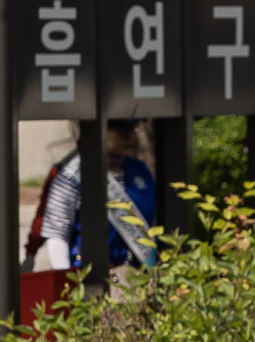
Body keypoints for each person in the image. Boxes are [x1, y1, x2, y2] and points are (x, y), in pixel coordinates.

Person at [26, 119, 158, 294]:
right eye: (121, 130)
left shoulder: (139, 170)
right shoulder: (71, 175)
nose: (131, 136)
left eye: (132, 129)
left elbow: (153, 222)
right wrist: (67, 283)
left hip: (138, 277)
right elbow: (57, 232)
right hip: (89, 280)